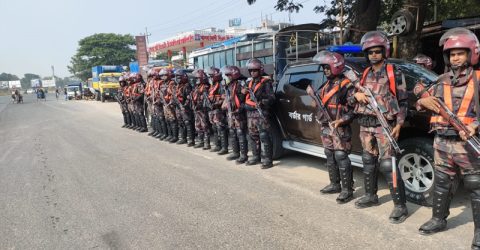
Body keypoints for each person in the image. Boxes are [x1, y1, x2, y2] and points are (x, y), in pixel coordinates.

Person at [415, 27, 480, 250]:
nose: (455, 58)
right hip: (442, 142)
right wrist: (422, 102)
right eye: (452, 54)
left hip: (468, 144)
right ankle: (438, 219)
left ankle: (479, 232)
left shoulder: (479, 79)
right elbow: (419, 98)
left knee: (476, 185)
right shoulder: (441, 80)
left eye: (460, 53)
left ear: (472, 53)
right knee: (442, 183)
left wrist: (475, 125)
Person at [348, 30, 409, 223]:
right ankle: (371, 196)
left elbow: (403, 101)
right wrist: (356, 95)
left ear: (384, 51)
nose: (374, 55)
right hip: (365, 125)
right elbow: (350, 96)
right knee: (368, 161)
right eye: (371, 52)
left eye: (377, 51)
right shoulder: (364, 74)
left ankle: (400, 206)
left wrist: (399, 124)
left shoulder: (393, 72)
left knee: (388, 164)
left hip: (385, 126)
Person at [306, 51, 355, 203]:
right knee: (329, 153)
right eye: (324, 68)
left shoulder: (346, 85)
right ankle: (335, 184)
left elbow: (354, 109)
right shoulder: (326, 84)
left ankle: (347, 189)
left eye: (327, 67)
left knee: (341, 156)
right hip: (326, 126)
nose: (325, 70)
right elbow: (316, 103)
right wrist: (313, 98)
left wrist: (342, 120)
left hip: (340, 127)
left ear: (335, 67)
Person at [244, 58, 275, 169]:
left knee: (264, 136)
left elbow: (272, 98)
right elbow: (244, 97)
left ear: (260, 71)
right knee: (253, 136)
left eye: (255, 70)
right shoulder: (249, 83)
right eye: (251, 71)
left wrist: (262, 102)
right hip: (251, 114)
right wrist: (243, 93)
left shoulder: (266, 83)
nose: (253, 73)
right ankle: (256, 156)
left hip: (261, 113)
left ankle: (268, 159)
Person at [221, 65, 248, 164]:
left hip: (239, 113)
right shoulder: (229, 85)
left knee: (241, 133)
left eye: (228, 75)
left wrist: (239, 109)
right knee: (232, 132)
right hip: (230, 113)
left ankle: (243, 155)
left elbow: (245, 99)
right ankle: (236, 152)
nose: (227, 77)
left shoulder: (241, 84)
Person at [207, 67, 229, 155]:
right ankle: (217, 145)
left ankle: (224, 147)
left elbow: (224, 97)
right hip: (213, 109)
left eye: (212, 76)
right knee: (214, 128)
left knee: (221, 128)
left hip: (219, 110)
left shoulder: (221, 84)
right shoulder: (213, 85)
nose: (211, 78)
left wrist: (216, 101)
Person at [191, 69, 212, 149]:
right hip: (197, 109)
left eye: (198, 78)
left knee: (205, 126)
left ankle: (207, 143)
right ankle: (201, 141)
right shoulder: (196, 87)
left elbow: (205, 99)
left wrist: (198, 104)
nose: (196, 80)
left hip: (203, 110)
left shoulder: (205, 87)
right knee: (198, 125)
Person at [173, 69, 195, 145]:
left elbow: (189, 98)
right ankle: (183, 138)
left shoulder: (187, 86)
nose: (177, 79)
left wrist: (184, 106)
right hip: (178, 108)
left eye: (178, 77)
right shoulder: (177, 86)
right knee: (180, 123)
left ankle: (191, 140)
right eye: (176, 77)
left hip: (185, 108)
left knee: (188, 123)